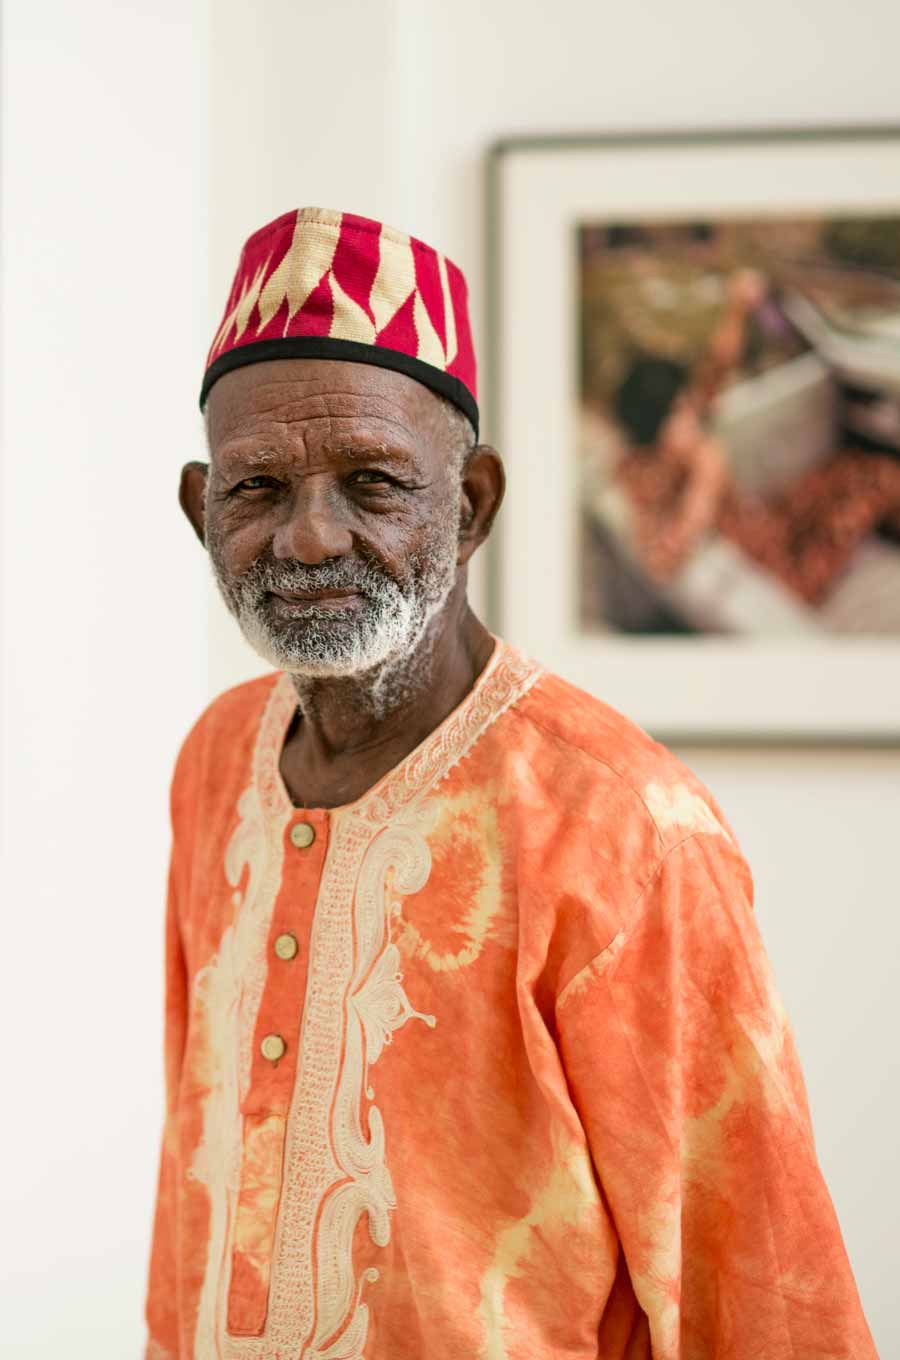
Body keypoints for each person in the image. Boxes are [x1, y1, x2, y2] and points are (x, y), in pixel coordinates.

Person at [144, 208, 878, 1359]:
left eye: (373, 483)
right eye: (256, 490)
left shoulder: (627, 826)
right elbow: (196, 1195)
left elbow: (759, 1290)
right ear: (200, 511)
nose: (309, 539)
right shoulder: (214, 764)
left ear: (473, 504)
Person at [612, 267, 900, 602]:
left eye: (687, 404)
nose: (693, 412)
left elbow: (715, 369)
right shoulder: (643, 476)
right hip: (783, 572)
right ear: (653, 424)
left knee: (858, 468)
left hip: (769, 523)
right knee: (875, 486)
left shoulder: (682, 433)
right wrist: (704, 483)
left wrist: (737, 307)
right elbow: (660, 562)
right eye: (681, 410)